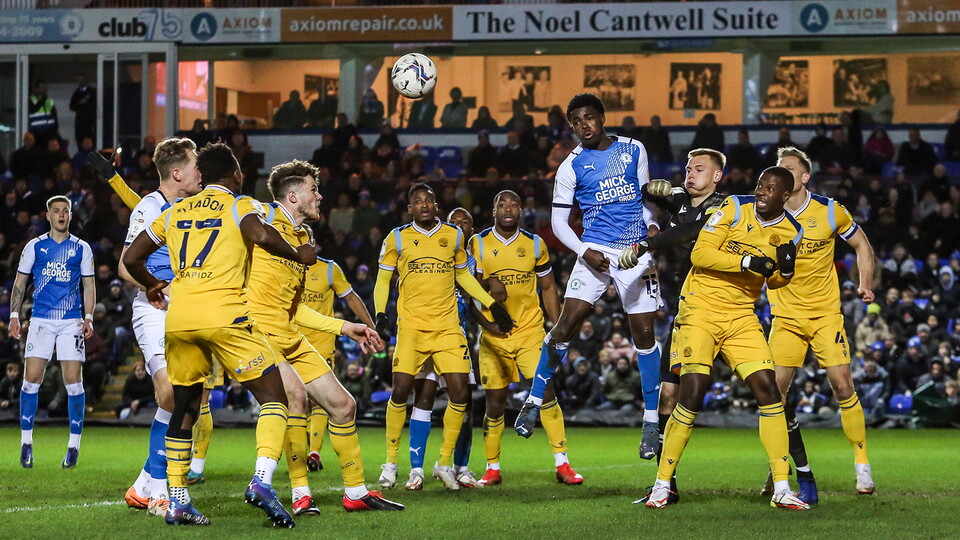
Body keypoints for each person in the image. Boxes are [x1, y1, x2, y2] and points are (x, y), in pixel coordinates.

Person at [122, 142, 317, 527]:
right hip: (225, 316)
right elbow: (260, 235)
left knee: (185, 405)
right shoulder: (239, 203)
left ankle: (177, 499)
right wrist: (301, 254)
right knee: (274, 397)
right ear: (236, 174)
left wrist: (152, 285)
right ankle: (261, 481)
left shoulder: (175, 209)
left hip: (179, 317)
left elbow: (130, 258)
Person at [242, 160, 403, 514]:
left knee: (344, 406)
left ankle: (357, 492)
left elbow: (295, 309)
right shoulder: (261, 219)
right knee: (295, 398)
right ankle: (300, 493)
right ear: (294, 195)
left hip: (289, 332)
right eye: (314, 190)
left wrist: (345, 326)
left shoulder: (304, 240)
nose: (320, 196)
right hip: (257, 333)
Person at [645, 167, 808, 511]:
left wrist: (786, 271)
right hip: (700, 310)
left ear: (785, 196)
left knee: (768, 389)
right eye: (760, 184)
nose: (761, 191)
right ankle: (662, 484)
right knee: (693, 390)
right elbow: (700, 254)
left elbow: (775, 281)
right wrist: (748, 260)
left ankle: (782, 486)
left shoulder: (792, 230)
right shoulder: (734, 207)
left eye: (770, 188)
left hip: (741, 316)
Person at [514, 94, 663, 465]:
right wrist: (584, 251)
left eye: (589, 118)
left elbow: (647, 201)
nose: (584, 125)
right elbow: (558, 224)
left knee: (644, 336)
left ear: (602, 118)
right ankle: (533, 401)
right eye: (577, 121)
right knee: (566, 325)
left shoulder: (633, 149)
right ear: (571, 126)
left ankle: (650, 423)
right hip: (594, 250)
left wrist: (653, 231)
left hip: (634, 250)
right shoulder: (570, 166)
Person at [373, 183, 512, 491]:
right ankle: (392, 461)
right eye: (417, 202)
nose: (423, 205)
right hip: (411, 328)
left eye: (428, 200)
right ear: (410, 209)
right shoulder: (396, 237)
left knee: (461, 394)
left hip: (448, 327)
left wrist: (490, 304)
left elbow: (463, 275)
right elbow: (383, 279)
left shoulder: (454, 236)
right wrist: (381, 314)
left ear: (436, 205)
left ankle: (444, 462)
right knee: (400, 392)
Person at [90, 138, 203, 515]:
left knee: (190, 401)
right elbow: (125, 266)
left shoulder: (194, 208)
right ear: (176, 173)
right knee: (170, 394)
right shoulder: (150, 207)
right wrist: (155, 285)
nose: (199, 173)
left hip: (189, 311)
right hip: (154, 309)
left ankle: (143, 485)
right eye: (194, 166)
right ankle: (161, 490)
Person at [761, 146, 878, 502]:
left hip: (825, 315)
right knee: (773, 398)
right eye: (778, 169)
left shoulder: (829, 211)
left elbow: (863, 246)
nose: (781, 174)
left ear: (804, 176)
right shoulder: (765, 215)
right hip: (785, 319)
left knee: (843, 385)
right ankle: (777, 472)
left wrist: (865, 283)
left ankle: (862, 464)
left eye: (789, 169)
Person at [620, 148, 727, 503]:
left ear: (716, 177)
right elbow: (643, 192)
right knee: (669, 394)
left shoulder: (722, 207)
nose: (689, 173)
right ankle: (667, 483)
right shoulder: (681, 199)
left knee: (770, 391)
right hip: (688, 314)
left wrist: (645, 243)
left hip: (725, 312)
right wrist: (655, 188)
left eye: (699, 169)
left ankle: (786, 476)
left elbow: (688, 233)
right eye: (687, 168)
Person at [468, 191, 582, 486]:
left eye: (514, 205)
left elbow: (547, 287)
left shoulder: (534, 244)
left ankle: (563, 463)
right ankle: (492, 468)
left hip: (530, 332)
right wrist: (488, 323)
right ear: (493, 210)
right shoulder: (478, 243)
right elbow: (468, 290)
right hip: (494, 337)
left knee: (546, 393)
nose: (508, 209)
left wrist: (557, 326)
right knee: (495, 403)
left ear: (521, 211)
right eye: (502, 204)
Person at [401, 207, 484, 491]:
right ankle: (416, 469)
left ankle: (459, 467)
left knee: (465, 402)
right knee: (423, 396)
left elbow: (474, 303)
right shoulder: (431, 253)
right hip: (424, 334)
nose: (460, 225)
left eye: (466, 222)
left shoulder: (472, 263)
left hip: (454, 336)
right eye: (454, 222)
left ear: (471, 231)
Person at [11, 195, 96, 469]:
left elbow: (89, 286)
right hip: (41, 320)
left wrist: (89, 317)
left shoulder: (81, 248)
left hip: (71, 321)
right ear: (47, 216)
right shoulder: (34, 247)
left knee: (73, 381)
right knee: (30, 381)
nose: (61, 215)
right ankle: (26, 442)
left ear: (71, 216)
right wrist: (14, 315)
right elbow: (19, 283)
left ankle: (74, 446)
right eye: (56, 211)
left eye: (65, 211)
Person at [28, 80, 59, 147]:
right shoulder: (31, 100)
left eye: (45, 87)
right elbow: (33, 110)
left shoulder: (49, 101)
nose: (44, 89)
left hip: (49, 133)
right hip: (37, 132)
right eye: (42, 87)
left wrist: (55, 131)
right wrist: (41, 101)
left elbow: (54, 117)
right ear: (36, 89)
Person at [69, 74, 96, 149]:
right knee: (80, 142)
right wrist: (80, 103)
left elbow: (95, 105)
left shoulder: (92, 92)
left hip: (90, 122)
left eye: (82, 79)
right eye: (78, 80)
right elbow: (72, 106)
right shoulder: (76, 93)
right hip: (80, 123)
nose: (80, 81)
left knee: (91, 142)